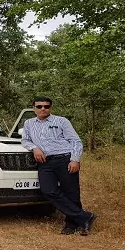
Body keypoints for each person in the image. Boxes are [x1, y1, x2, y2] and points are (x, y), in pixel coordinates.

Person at [22, 96, 97, 235]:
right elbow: (25, 140)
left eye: (46, 106)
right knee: (48, 190)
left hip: (65, 159)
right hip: (45, 162)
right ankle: (85, 216)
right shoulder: (29, 123)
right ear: (34, 108)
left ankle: (71, 224)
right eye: (39, 106)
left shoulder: (61, 121)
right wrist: (34, 148)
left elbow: (75, 141)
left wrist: (75, 159)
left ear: (50, 107)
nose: (43, 109)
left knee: (71, 193)